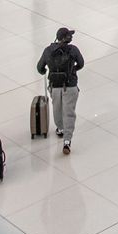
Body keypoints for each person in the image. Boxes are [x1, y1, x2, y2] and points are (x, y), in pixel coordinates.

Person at [36, 27, 86, 155]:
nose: (72, 37)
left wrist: (44, 71)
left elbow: (40, 67)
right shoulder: (73, 50)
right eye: (69, 35)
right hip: (70, 86)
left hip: (55, 86)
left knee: (57, 109)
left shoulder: (48, 51)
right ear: (65, 38)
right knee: (69, 112)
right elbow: (81, 63)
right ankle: (67, 141)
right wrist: (74, 69)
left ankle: (60, 128)